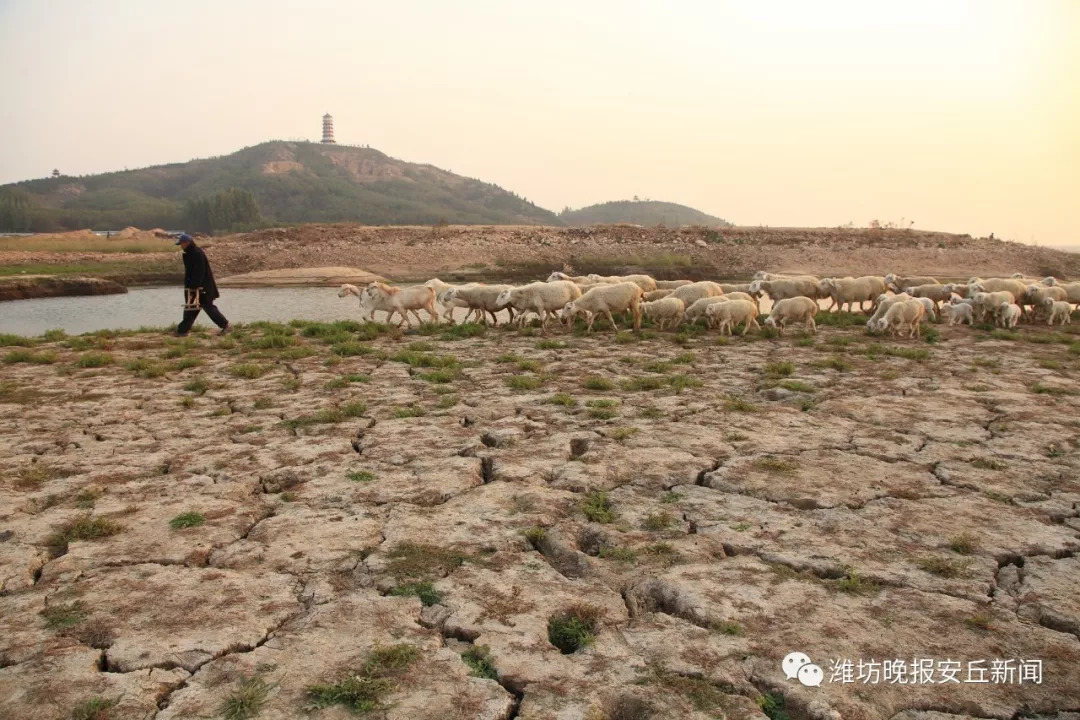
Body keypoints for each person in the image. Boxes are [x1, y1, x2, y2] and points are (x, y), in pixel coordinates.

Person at [173, 233, 231, 336]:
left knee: (208, 307)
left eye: (182, 243)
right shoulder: (190, 253)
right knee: (191, 308)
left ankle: (226, 325)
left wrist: (194, 286)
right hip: (194, 287)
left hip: (203, 287)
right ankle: (182, 330)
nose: (181, 246)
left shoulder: (197, 253)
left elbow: (199, 271)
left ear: (187, 243)